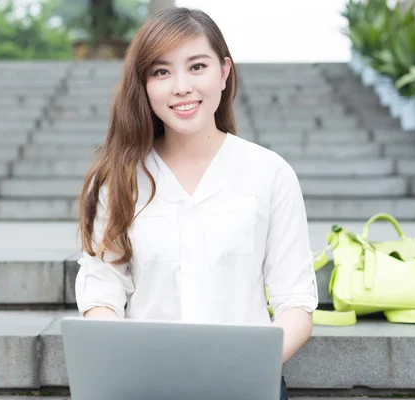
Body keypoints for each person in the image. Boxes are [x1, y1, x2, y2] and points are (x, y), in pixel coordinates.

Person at [75, 7, 318, 400]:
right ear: (144, 84)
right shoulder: (117, 180)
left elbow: (296, 303)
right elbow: (102, 291)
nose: (181, 86)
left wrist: (244, 368)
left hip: (245, 386)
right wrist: (123, 363)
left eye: (197, 66)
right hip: (144, 385)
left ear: (224, 72)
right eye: (161, 71)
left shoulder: (270, 173)